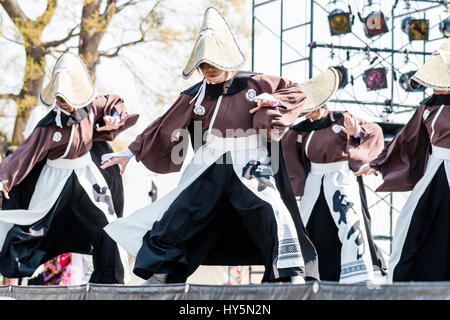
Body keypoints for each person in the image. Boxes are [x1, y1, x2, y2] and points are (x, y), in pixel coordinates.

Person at [100, 7, 319, 285]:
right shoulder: (195, 95)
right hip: (210, 161)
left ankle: (288, 274)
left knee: (272, 209)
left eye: (213, 62)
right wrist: (130, 151)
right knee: (182, 214)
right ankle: (163, 272)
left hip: (251, 158)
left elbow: (297, 92)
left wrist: (272, 101)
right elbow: (164, 124)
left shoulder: (257, 82)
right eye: (203, 65)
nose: (209, 70)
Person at [0, 52, 139, 284]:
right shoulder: (46, 127)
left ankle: (109, 279)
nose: (64, 101)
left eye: (68, 95)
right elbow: (23, 155)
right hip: (54, 178)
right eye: (60, 97)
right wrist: (4, 179)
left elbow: (114, 102)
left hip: (87, 174)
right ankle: (15, 270)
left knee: (106, 223)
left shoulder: (93, 108)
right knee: (34, 225)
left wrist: (115, 116)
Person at [282, 67, 387, 283]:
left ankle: (355, 278)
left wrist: (356, 132)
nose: (307, 113)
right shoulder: (301, 130)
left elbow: (374, 130)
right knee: (306, 226)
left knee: (349, 225)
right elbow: (285, 147)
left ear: (322, 103)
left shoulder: (342, 119)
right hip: (315, 183)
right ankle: (305, 274)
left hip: (341, 180)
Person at [358, 38, 450, 282]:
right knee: (411, 221)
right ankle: (402, 283)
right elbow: (406, 138)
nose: (435, 86)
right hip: (437, 169)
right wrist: (378, 163)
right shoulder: (428, 106)